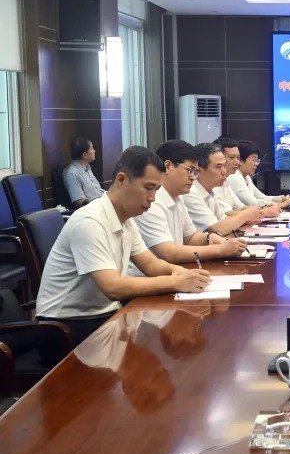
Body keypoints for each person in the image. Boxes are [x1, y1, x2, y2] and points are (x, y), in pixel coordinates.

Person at [35, 146, 212, 344]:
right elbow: (112, 287)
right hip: (65, 326)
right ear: (121, 180)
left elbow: (151, 265)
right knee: (152, 347)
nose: (153, 198)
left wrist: (183, 274)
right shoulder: (89, 221)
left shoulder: (126, 219)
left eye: (156, 190)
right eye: (148, 188)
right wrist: (176, 282)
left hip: (102, 314)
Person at [131, 140, 246, 273]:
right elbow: (168, 253)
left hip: (173, 274)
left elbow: (190, 237)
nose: (193, 177)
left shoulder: (178, 197)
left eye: (195, 172)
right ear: (167, 166)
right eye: (189, 170)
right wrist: (220, 250)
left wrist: (209, 238)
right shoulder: (152, 201)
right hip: (147, 280)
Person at [183, 143, 261, 235]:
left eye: (224, 166)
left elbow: (224, 219)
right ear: (198, 170)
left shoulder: (211, 190)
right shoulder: (190, 193)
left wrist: (247, 218)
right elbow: (218, 229)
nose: (224, 171)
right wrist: (246, 215)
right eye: (219, 167)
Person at [214, 135, 278, 219]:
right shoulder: (231, 178)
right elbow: (226, 214)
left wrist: (267, 207)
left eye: (238, 158)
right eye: (232, 157)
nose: (237, 162)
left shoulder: (226, 181)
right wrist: (263, 212)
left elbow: (241, 207)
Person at [226, 140, 290, 208]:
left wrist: (284, 198)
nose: (256, 164)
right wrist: (282, 204)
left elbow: (262, 197)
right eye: (254, 159)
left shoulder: (246, 177)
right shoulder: (235, 177)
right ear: (241, 161)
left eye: (257, 160)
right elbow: (253, 203)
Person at [62, 137, 106, 208]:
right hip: (94, 209)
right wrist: (102, 203)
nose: (94, 151)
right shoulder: (71, 173)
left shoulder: (87, 168)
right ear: (84, 155)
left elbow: (97, 191)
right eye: (92, 148)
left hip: (103, 203)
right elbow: (80, 201)